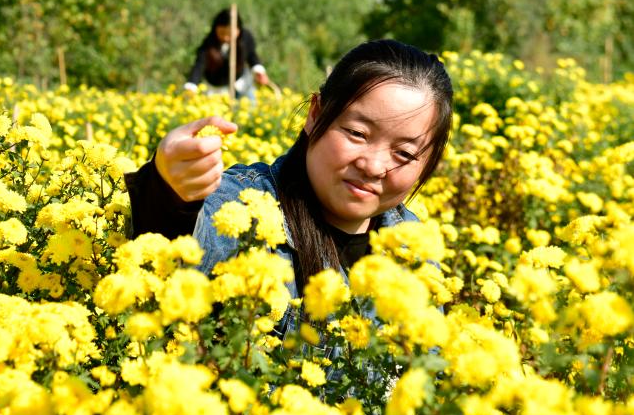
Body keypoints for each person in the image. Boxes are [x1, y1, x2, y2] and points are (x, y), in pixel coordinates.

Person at [127, 39, 453, 333]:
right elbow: (180, 240)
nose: (373, 165)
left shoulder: (415, 249)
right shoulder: (249, 208)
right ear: (315, 114)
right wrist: (168, 191)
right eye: (357, 134)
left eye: (405, 153)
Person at [184, 8, 270, 99]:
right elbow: (199, 66)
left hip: (241, 83)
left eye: (229, 35)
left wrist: (259, 72)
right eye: (222, 33)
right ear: (215, 29)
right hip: (216, 89)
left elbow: (252, 56)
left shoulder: (245, 38)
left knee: (249, 107)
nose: (225, 38)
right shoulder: (208, 44)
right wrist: (192, 86)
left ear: (238, 30)